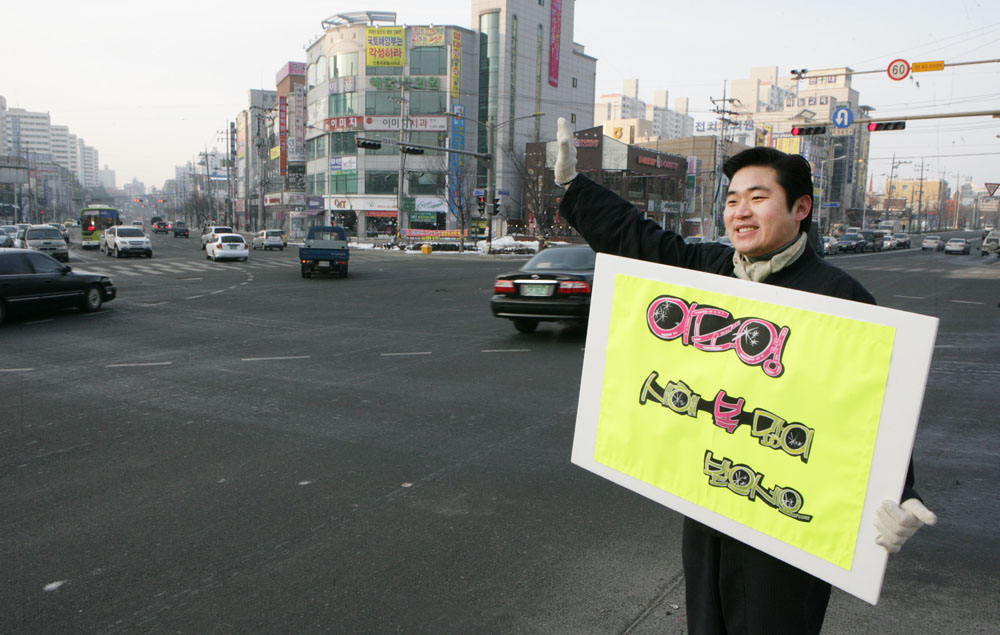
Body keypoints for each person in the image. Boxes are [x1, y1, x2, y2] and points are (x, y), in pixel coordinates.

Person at [553, 118, 936, 634]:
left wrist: (899, 489)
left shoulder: (838, 298)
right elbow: (636, 240)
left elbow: (876, 403)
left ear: (801, 209)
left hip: (787, 519)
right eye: (732, 200)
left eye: (758, 198)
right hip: (712, 498)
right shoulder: (713, 270)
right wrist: (574, 187)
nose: (740, 212)